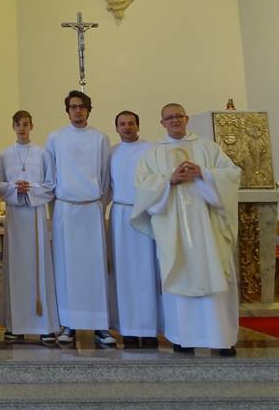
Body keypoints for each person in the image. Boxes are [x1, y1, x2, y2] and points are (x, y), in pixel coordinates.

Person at [131, 103, 241, 356]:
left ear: (186, 118)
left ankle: (221, 338)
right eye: (169, 118)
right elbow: (142, 185)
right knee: (178, 275)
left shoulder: (208, 148)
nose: (174, 121)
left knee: (214, 274)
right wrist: (169, 180)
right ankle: (183, 338)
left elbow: (232, 174)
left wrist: (204, 173)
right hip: (173, 229)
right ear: (162, 123)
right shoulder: (153, 154)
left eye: (178, 116)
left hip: (208, 228)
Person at [44, 90, 116, 347]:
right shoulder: (55, 138)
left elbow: (105, 177)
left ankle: (100, 325)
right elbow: (50, 176)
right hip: (65, 209)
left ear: (88, 109)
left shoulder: (100, 138)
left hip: (91, 208)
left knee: (95, 267)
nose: (77, 111)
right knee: (67, 268)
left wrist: (97, 204)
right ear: (67, 111)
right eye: (73, 107)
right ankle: (69, 323)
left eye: (82, 106)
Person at [0, 111, 59, 345]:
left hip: (36, 213)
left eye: (26, 124)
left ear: (32, 126)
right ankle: (15, 326)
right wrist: (13, 188)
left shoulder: (42, 154)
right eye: (18, 124)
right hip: (16, 216)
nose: (22, 128)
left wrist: (31, 188)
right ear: (13, 126)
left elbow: (51, 184)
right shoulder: (4, 155)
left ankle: (44, 326)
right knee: (16, 267)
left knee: (39, 266)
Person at [109, 110, 160, 348]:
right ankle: (127, 329)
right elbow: (106, 185)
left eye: (131, 123)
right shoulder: (111, 153)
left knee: (146, 272)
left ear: (138, 126)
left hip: (145, 214)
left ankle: (149, 330)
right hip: (120, 215)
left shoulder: (152, 150)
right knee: (123, 272)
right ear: (117, 128)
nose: (127, 127)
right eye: (122, 124)